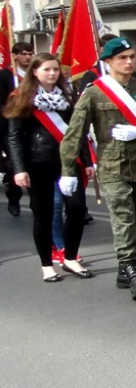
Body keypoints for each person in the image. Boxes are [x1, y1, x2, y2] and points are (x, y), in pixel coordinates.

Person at [59, 37, 136, 300]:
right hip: (112, 167)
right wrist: (67, 170)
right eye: (122, 57)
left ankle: (124, 268)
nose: (129, 62)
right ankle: (133, 272)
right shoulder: (94, 93)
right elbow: (74, 134)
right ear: (108, 61)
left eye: (132, 56)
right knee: (124, 219)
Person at [4, 53, 93, 282]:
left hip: (68, 161)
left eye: (55, 69)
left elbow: (77, 132)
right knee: (42, 215)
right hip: (37, 163)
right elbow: (13, 137)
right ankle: (46, 265)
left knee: (76, 209)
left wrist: (88, 160)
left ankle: (70, 257)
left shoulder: (67, 96)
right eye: (47, 69)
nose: (52, 74)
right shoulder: (20, 97)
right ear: (35, 71)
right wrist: (19, 169)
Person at [1, 41, 34, 217]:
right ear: (15, 56)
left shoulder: (35, 75)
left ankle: (36, 200)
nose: (27, 57)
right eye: (23, 53)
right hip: (9, 129)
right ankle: (14, 197)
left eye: (30, 53)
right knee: (16, 165)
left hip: (32, 127)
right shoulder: (6, 76)